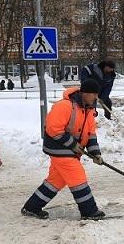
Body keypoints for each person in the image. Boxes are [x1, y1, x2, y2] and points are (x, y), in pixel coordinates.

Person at [21, 79, 106, 220]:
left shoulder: (89, 110)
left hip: (71, 152)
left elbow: (91, 135)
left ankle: (31, 207)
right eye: (93, 94)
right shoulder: (64, 106)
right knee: (78, 177)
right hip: (59, 150)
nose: (96, 97)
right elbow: (53, 129)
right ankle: (89, 211)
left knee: (55, 181)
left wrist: (95, 153)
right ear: (84, 93)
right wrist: (72, 144)